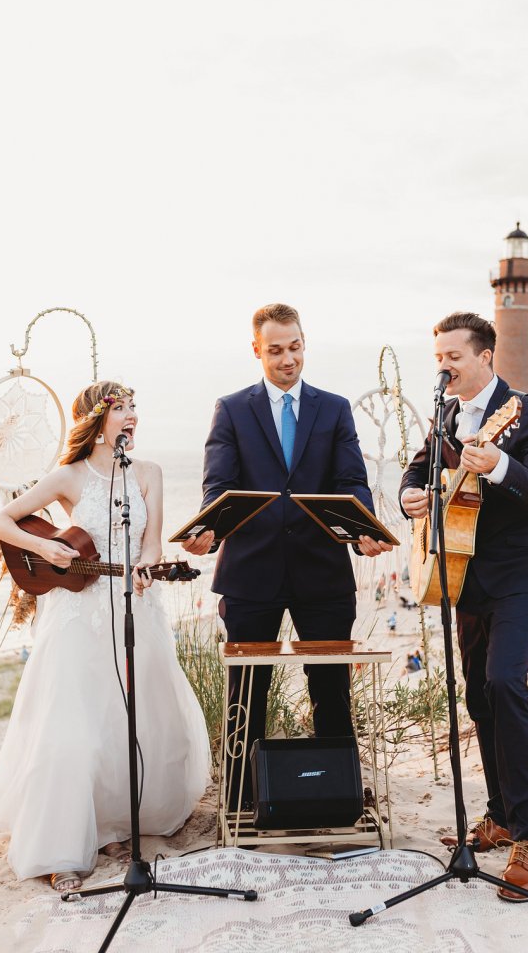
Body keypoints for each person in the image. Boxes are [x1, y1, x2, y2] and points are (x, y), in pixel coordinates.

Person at [0, 381, 209, 892]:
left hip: (136, 607)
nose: (132, 416)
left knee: (129, 722)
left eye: (136, 408)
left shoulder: (149, 473)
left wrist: (147, 569)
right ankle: (60, 844)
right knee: (74, 726)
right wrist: (46, 551)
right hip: (77, 613)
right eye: (123, 409)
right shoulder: (68, 476)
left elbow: (151, 544)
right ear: (96, 418)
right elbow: (1, 523)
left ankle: (111, 825)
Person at [183, 303, 392, 803]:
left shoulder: (334, 407)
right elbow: (219, 486)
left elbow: (350, 482)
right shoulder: (231, 409)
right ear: (257, 350)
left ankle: (340, 798)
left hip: (323, 573)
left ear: (304, 343)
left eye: (295, 347)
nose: (287, 359)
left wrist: (363, 528)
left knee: (332, 693)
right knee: (246, 696)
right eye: (275, 350)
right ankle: (239, 801)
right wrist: (208, 529)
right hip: (249, 574)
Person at [400, 311, 528, 901]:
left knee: (505, 683)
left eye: (454, 356)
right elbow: (419, 468)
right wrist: (411, 495)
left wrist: (497, 463)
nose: (443, 365)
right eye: (438, 356)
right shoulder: (445, 415)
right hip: (462, 573)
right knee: (476, 694)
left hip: (524, 570)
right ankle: (499, 812)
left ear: (486, 357)